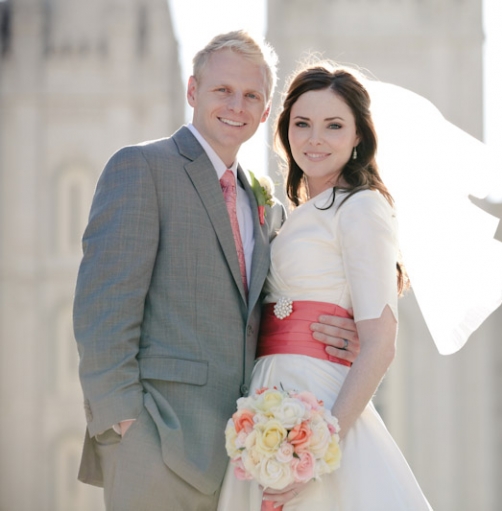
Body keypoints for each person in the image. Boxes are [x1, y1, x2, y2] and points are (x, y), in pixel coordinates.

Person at [73, 31, 361, 511]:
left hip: (243, 458)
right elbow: (102, 311)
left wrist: (338, 334)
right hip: (156, 448)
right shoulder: (142, 167)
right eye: (222, 90)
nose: (237, 105)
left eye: (252, 96)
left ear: (266, 112)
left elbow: (272, 306)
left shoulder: (263, 200)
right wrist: (127, 428)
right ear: (192, 92)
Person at [216, 62, 433, 511]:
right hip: (268, 397)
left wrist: (314, 451)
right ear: (284, 131)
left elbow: (381, 343)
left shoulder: (361, 207)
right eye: (302, 124)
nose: (315, 138)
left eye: (334, 125)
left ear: (358, 137)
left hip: (318, 409)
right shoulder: (296, 214)